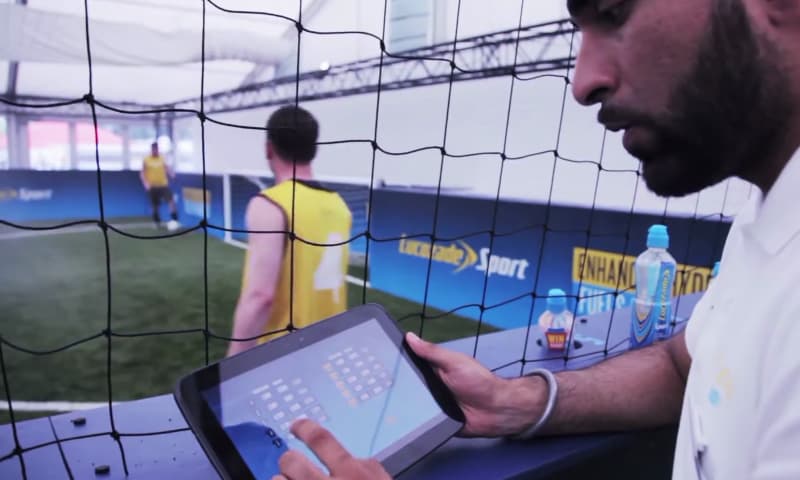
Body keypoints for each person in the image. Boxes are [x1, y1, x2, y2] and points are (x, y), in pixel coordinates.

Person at [275, 0, 800, 478]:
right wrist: (516, 401)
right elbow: (682, 367)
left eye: (615, 13)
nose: (582, 82)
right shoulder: (765, 215)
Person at [227, 105, 352, 357]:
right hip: (331, 348)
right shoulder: (340, 206)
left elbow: (260, 296)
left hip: (283, 357)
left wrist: (232, 362)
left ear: (268, 148)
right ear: (313, 150)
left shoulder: (270, 204)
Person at [140, 142, 179, 228]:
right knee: (155, 206)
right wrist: (146, 184)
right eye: (154, 149)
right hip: (152, 186)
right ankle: (156, 221)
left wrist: (172, 174)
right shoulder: (146, 159)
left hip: (163, 185)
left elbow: (166, 167)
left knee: (171, 201)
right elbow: (143, 172)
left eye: (157, 149)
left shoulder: (162, 158)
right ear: (151, 150)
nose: (155, 151)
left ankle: (175, 220)